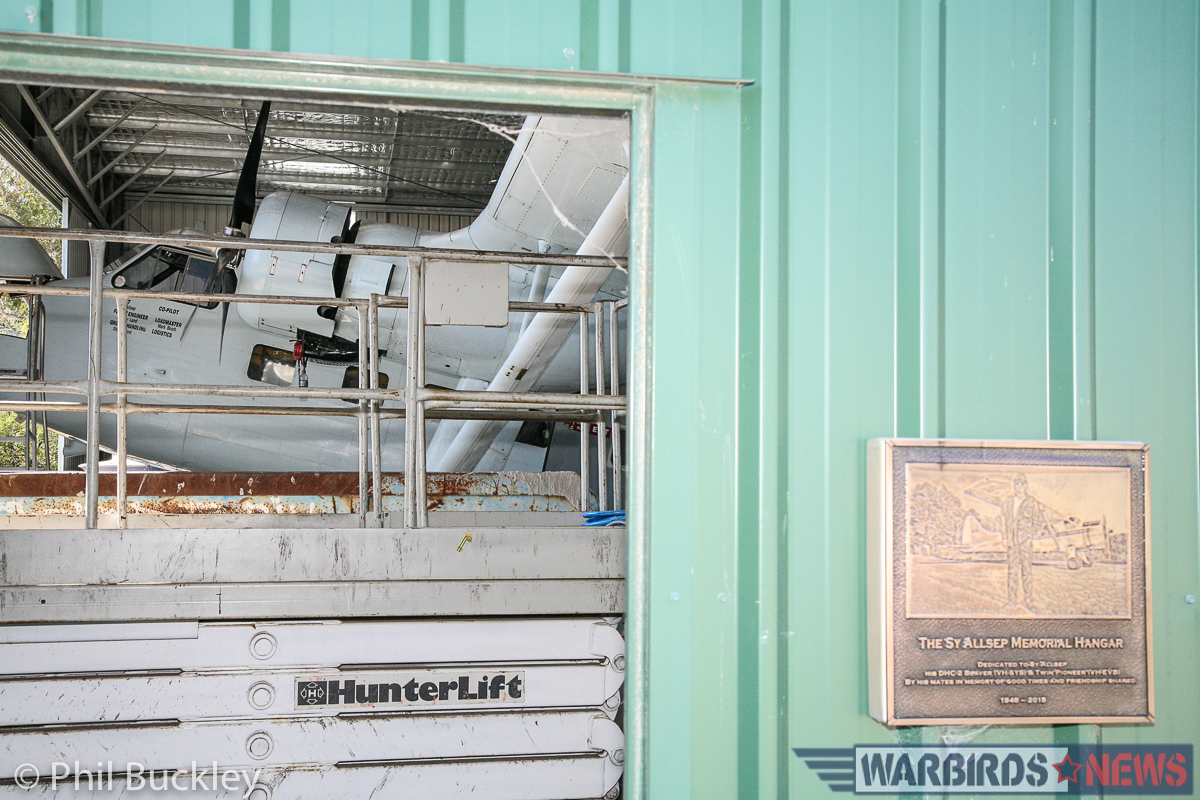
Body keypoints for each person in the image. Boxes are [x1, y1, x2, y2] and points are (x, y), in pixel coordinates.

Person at [999, 474, 1048, 612]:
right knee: (1012, 573)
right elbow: (1003, 519)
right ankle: (1012, 601)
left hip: (1025, 543)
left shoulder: (1032, 502)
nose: (1019, 486)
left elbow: (1038, 522)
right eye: (1017, 484)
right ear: (1014, 485)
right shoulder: (1008, 501)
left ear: (1026, 485)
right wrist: (1004, 537)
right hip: (1012, 542)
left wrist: (1030, 534)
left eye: (1022, 483)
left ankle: (1029, 601)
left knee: (1027, 572)